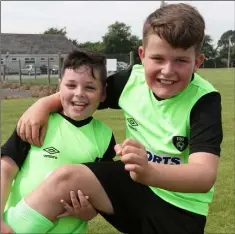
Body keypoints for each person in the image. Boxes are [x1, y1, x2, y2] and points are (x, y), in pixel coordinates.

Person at [15, 3, 223, 234]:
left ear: (198, 61)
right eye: (158, 58)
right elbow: (86, 96)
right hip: (133, 186)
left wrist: (148, 171)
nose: (167, 70)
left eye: (181, 61)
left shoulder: (204, 101)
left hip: (180, 209)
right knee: (68, 177)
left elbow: (204, 175)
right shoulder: (131, 82)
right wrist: (43, 104)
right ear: (142, 56)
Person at [1, 50, 117, 234]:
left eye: (90, 88)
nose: (79, 94)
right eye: (71, 85)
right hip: (18, 227)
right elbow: (5, 169)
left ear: (102, 94)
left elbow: (102, 190)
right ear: (59, 87)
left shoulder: (105, 136)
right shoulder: (36, 121)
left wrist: (90, 212)